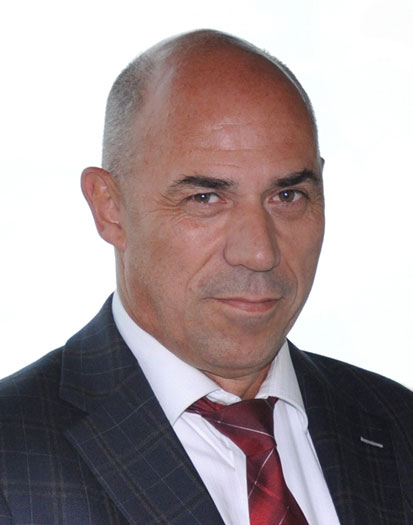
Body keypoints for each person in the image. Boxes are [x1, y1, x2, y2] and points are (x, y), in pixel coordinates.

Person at [0, 29, 412, 525]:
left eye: (287, 196)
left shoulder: (399, 426)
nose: (259, 253)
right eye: (206, 198)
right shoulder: (14, 456)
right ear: (110, 208)